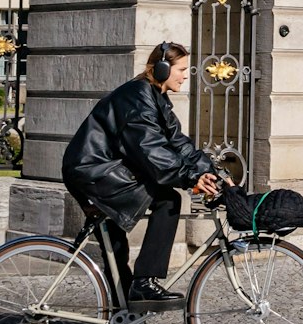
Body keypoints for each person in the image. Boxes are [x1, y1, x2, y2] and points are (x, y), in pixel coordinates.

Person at [63, 41, 221, 308]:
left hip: (105, 171)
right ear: (161, 69)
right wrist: (191, 178)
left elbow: (178, 143)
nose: (185, 75)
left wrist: (212, 172)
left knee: (116, 257)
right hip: (95, 172)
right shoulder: (138, 98)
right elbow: (152, 151)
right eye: (182, 69)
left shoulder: (156, 98)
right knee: (168, 200)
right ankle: (145, 281)